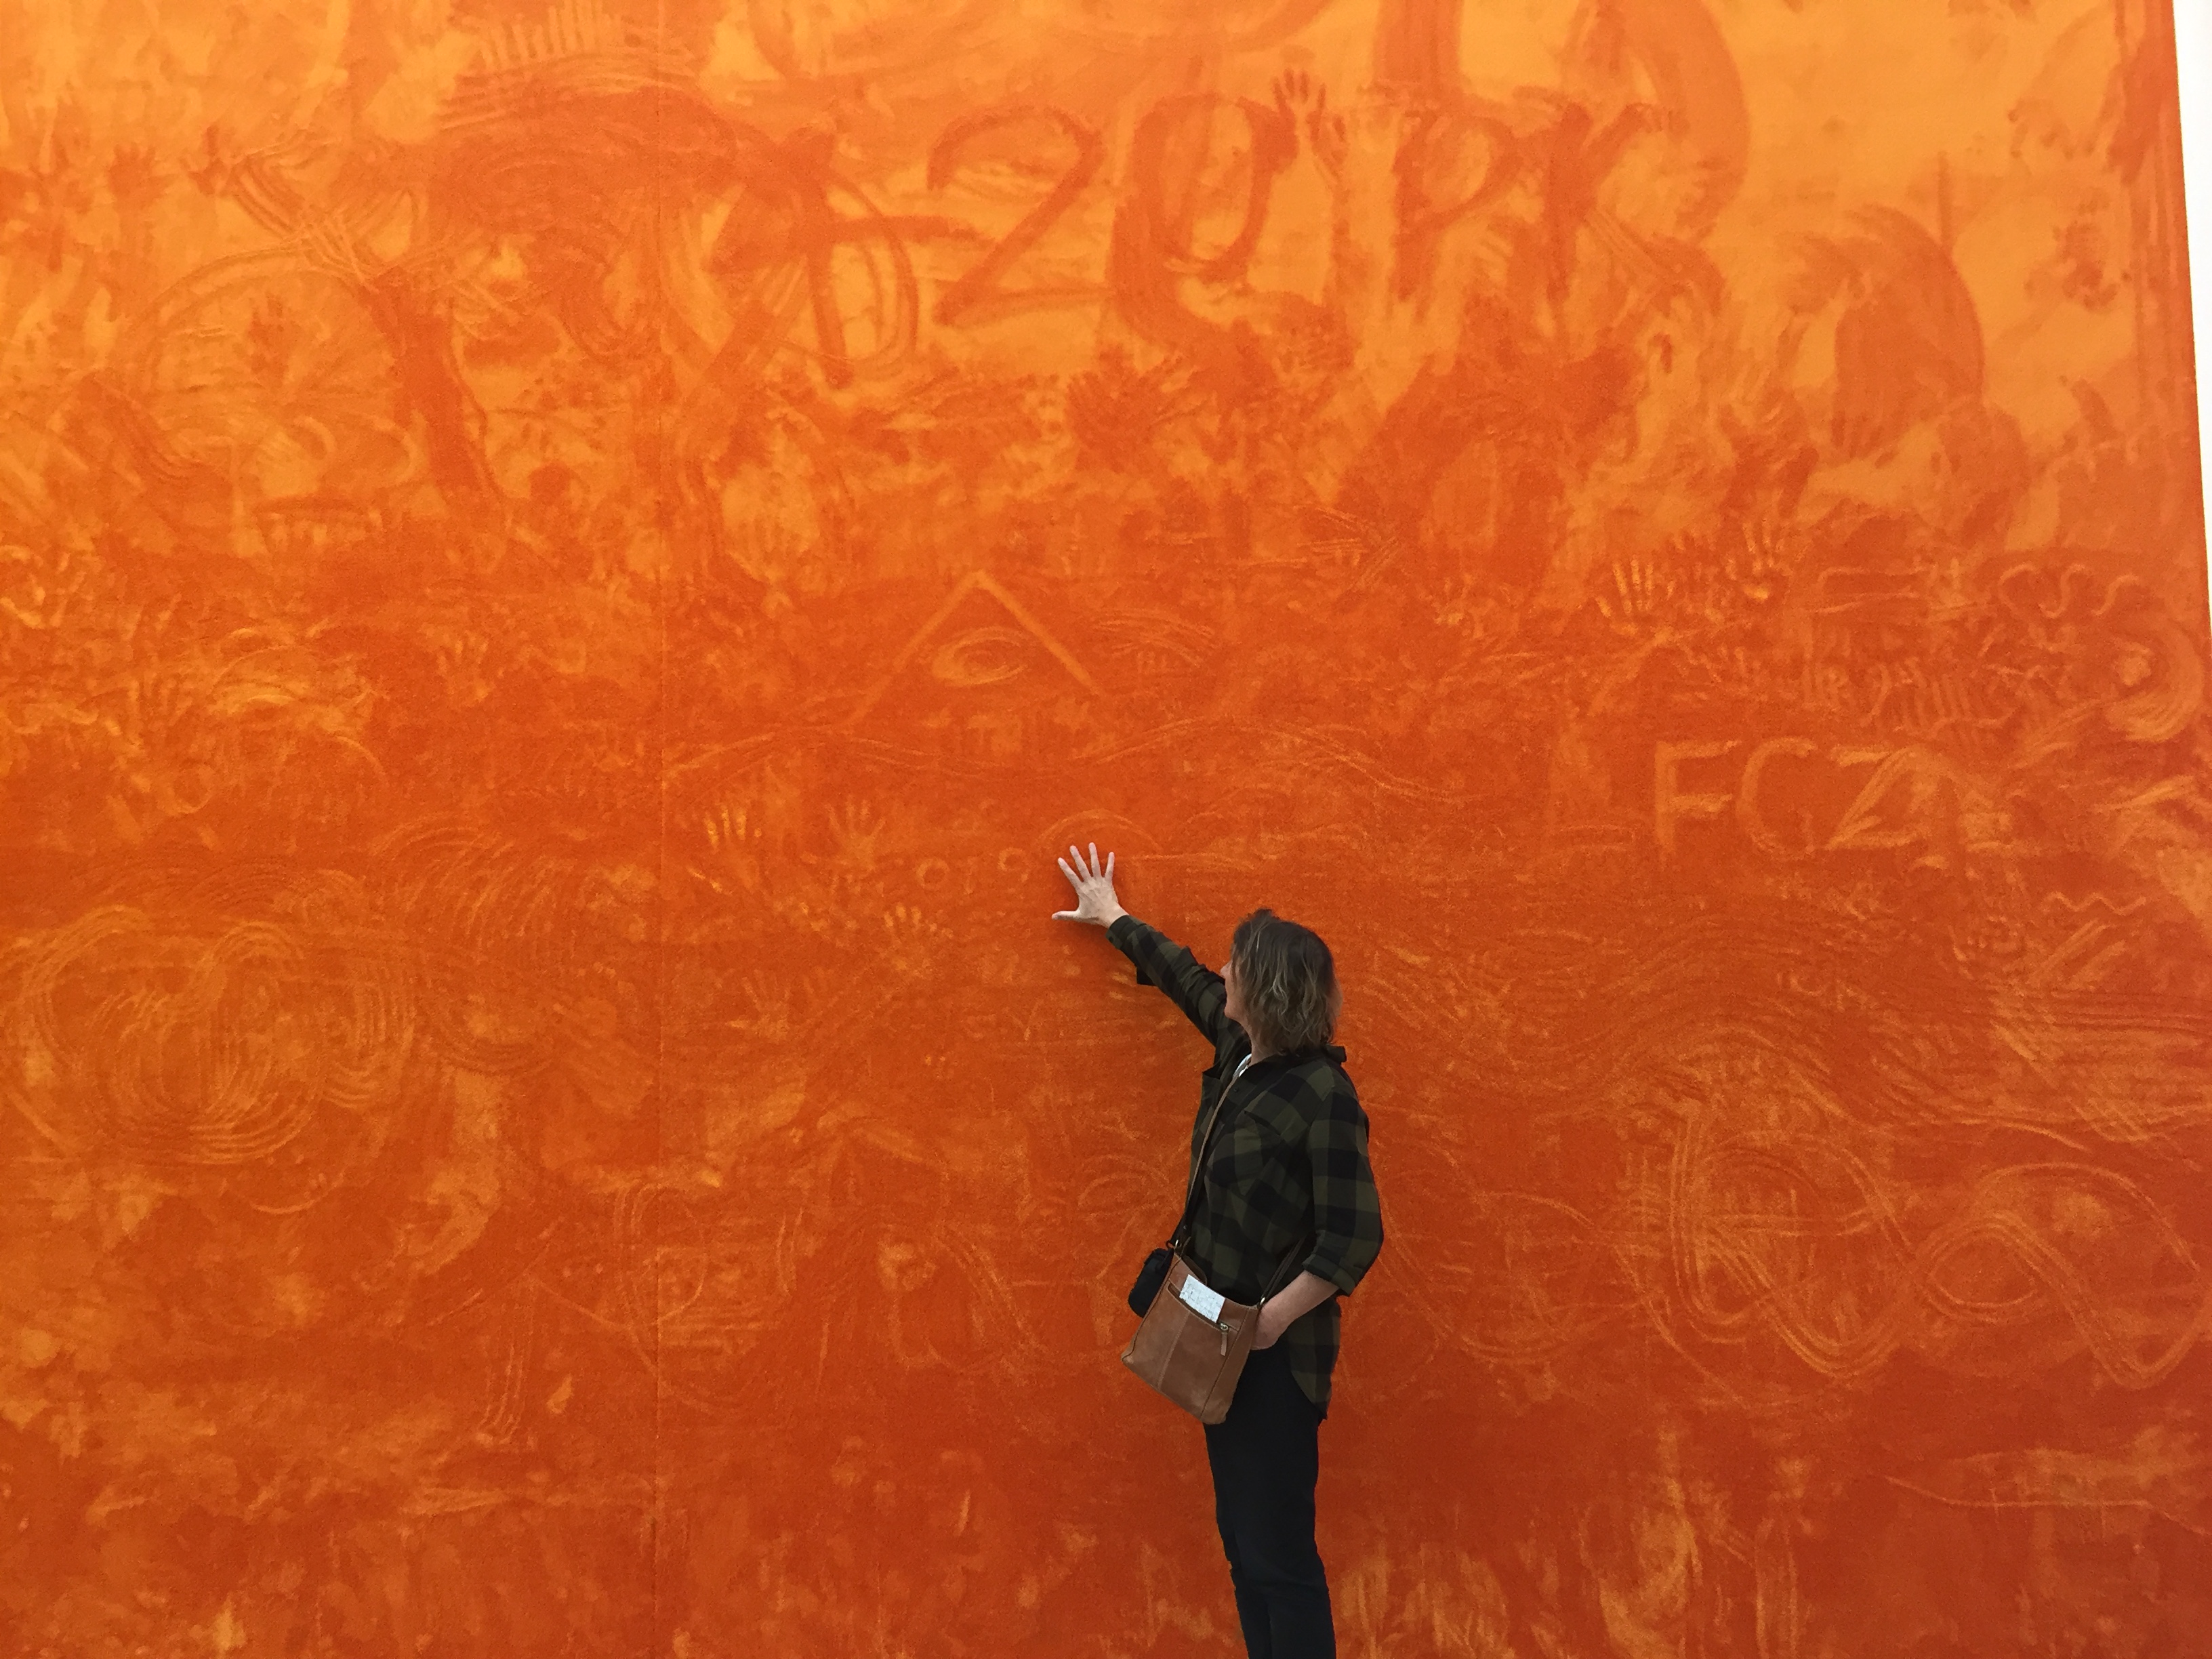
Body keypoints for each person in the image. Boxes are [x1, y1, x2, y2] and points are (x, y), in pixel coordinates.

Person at [1054, 842, 1384, 1659]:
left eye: (1238, 965)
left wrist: (1269, 1323)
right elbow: (1187, 979)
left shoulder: (1324, 1097)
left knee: (1279, 1561)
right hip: (1218, 1344)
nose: (1224, 972)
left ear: (1265, 991)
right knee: (1244, 1549)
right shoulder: (1242, 1052)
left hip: (1274, 1362)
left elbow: (1355, 1234)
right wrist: (1114, 917)